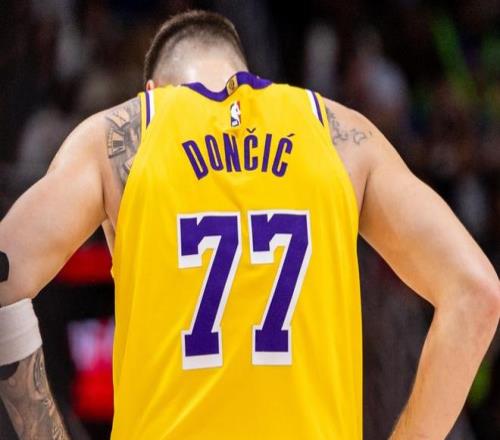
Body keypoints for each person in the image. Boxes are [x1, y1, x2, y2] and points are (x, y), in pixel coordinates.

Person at [0, 9, 498, 440]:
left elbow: (6, 276)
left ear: (151, 91)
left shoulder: (126, 134)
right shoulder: (339, 134)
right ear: (248, 77)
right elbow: (476, 292)